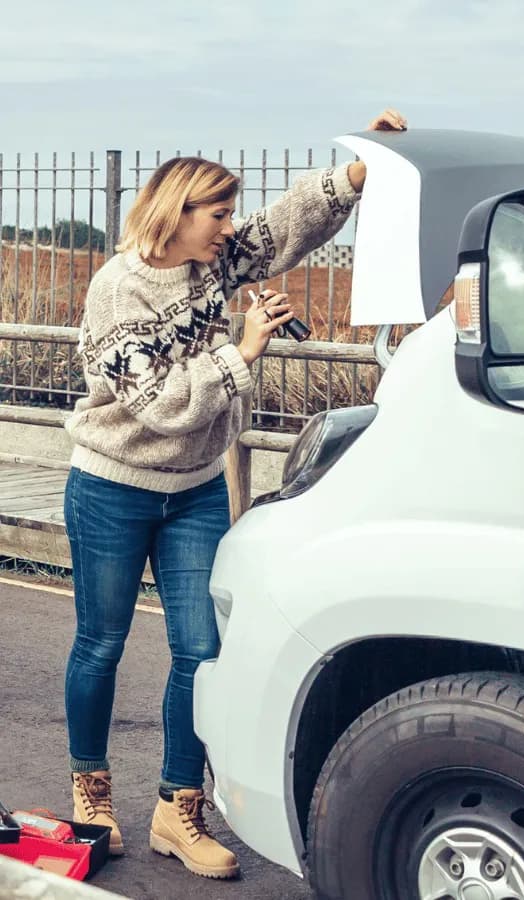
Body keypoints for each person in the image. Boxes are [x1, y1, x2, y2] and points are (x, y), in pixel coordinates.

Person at [61, 109, 407, 879]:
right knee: (101, 643)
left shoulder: (212, 263)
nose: (229, 226)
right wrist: (239, 350)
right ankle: (91, 792)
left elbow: (283, 228)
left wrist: (360, 171)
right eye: (217, 213)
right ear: (175, 213)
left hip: (191, 491)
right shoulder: (118, 290)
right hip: (113, 487)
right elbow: (160, 405)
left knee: (201, 649)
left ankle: (178, 809)